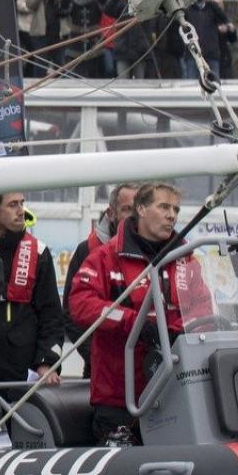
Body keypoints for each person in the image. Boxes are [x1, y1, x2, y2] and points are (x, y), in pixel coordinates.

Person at [68, 182, 212, 444]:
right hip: (119, 396)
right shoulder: (106, 256)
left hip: (173, 392)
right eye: (164, 206)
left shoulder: (185, 260)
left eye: (176, 209)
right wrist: (134, 324)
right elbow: (81, 304)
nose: (172, 215)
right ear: (141, 209)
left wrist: (176, 332)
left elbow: (203, 311)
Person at [0, 193, 67, 387]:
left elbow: (51, 317)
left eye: (22, 203)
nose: (21, 211)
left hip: (22, 374)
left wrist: (47, 363)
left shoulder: (38, 253)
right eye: (13, 205)